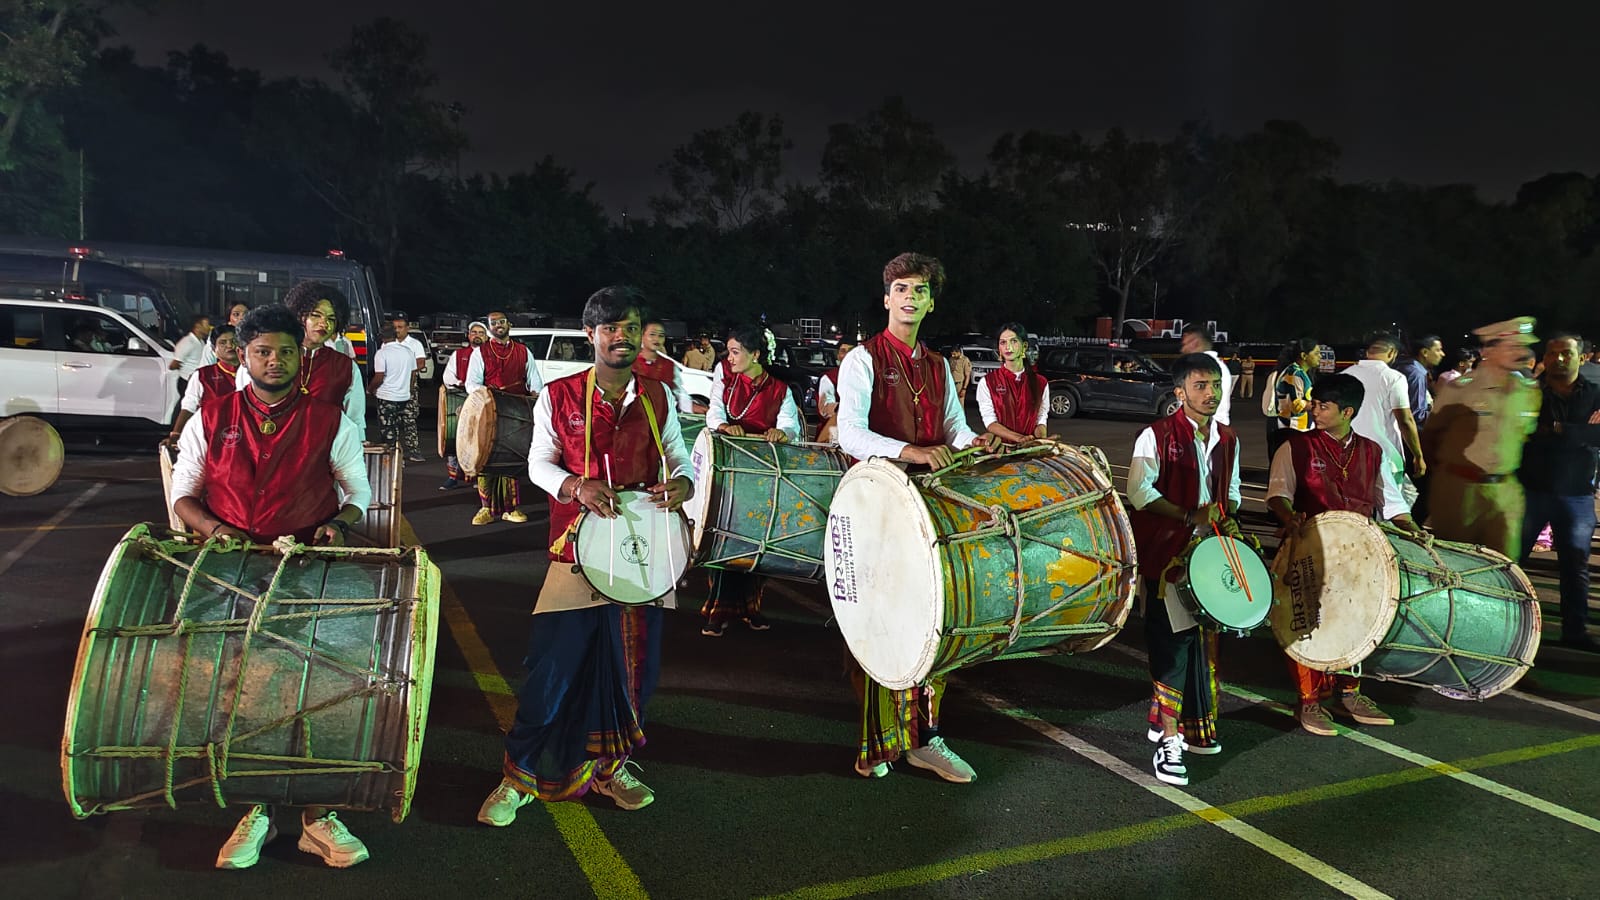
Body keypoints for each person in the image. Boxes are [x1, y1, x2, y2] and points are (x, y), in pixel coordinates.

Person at [476, 287, 692, 825]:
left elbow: (679, 455)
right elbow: (538, 464)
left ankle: (611, 768)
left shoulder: (657, 395)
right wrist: (575, 485)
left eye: (631, 326)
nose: (622, 337)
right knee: (555, 666)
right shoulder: (560, 394)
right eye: (611, 328)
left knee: (633, 671)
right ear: (591, 334)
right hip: (573, 548)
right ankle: (518, 776)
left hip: (642, 552)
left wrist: (685, 483)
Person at [169, 305, 373, 869]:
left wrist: (339, 524)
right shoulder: (210, 416)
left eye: (286, 350)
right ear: (240, 354)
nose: (275, 360)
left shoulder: (330, 419)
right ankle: (254, 810)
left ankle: (317, 816)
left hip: (308, 571)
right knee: (242, 688)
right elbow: (184, 494)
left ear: (300, 356)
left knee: (317, 689)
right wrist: (217, 530)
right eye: (262, 351)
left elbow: (356, 489)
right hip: (231, 572)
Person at [835, 251, 1002, 783]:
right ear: (887, 299)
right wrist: (911, 451)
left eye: (920, 290)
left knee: (935, 620)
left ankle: (925, 738)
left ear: (931, 301)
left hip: (932, 510)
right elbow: (849, 433)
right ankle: (878, 744)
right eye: (901, 289)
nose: (910, 297)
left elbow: (954, 427)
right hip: (878, 509)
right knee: (881, 625)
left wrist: (979, 443)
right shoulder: (861, 360)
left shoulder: (937, 366)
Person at [1266, 373, 1420, 734]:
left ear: (1347, 411)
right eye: (1314, 403)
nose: (1314, 411)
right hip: (1310, 551)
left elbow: (1392, 503)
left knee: (1358, 622)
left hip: (1360, 557)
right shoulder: (1296, 447)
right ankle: (1308, 701)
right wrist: (1289, 517)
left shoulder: (1373, 451)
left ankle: (1349, 692)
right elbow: (1277, 495)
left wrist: (1413, 530)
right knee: (1306, 624)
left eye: (1323, 406)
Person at [1126, 353, 1241, 786]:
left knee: (1201, 646)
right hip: (1168, 557)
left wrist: (1225, 519)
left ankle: (1180, 724)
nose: (1210, 393)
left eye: (1215, 385)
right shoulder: (1155, 436)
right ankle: (1168, 743)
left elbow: (1229, 494)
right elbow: (1139, 491)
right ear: (1180, 392)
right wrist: (1189, 515)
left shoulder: (1228, 439)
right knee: (1172, 647)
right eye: (1200, 386)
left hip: (1210, 556)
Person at [700, 323, 803, 636]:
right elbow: (713, 412)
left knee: (758, 542)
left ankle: (752, 608)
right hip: (729, 469)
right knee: (723, 540)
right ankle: (716, 611)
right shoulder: (725, 377)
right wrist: (723, 427)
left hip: (762, 475)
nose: (729, 358)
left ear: (755, 354)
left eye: (735, 352)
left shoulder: (779, 390)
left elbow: (790, 426)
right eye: (728, 352)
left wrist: (781, 432)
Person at [1422, 317, 1542, 558]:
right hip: (1460, 491)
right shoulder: (1459, 390)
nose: (1520, 352)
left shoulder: (1529, 392)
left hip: (1505, 492)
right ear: (1488, 350)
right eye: (1513, 346)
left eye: (1522, 346)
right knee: (1456, 565)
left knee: (1505, 569)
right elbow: (1431, 437)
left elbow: (1525, 438)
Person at [1518, 332, 1600, 653]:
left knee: (1575, 565)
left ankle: (1575, 631)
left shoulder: (1595, 393)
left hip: (1576, 494)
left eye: (1566, 353)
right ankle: (1508, 626)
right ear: (1545, 358)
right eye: (1552, 353)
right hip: (1531, 491)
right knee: (1514, 562)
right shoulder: (1528, 394)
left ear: (1581, 357)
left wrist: (1556, 429)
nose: (1558, 359)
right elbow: (1521, 433)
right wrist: (1580, 432)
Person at [233, 282, 366, 427]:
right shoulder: (265, 361)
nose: (324, 324)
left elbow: (355, 420)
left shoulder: (346, 367)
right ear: (298, 315)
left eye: (331, 319)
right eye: (316, 315)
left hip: (326, 445)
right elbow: (245, 410)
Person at [465, 311, 545, 525]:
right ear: (489, 326)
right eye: (494, 323)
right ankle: (486, 509)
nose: (498, 326)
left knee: (513, 460)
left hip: (517, 412)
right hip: (489, 412)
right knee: (485, 460)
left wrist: (536, 397)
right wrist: (490, 395)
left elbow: (535, 382)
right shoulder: (480, 352)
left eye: (502, 322)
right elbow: (471, 384)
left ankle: (511, 508)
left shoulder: (522, 351)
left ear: (508, 324)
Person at [1344, 333, 1426, 511]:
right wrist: (1418, 456)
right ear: (1392, 353)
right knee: (1387, 512)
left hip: (1348, 455)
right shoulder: (1393, 378)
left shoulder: (1345, 375)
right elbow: (1405, 420)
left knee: (1353, 510)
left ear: (1367, 353)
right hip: (1385, 458)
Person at [165, 325, 241, 446]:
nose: (229, 346)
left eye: (234, 341)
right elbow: (189, 406)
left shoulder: (253, 373)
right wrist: (176, 435)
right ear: (213, 349)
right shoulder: (203, 376)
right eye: (222, 343)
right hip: (211, 438)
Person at [978, 322, 1050, 444]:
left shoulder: (1040, 383)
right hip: (1000, 452)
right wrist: (1018, 438)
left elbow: (1041, 418)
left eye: (1014, 341)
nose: (1008, 347)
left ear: (1024, 346)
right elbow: (990, 422)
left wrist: (1041, 439)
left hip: (1030, 451)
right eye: (1003, 342)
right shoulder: (988, 382)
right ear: (999, 348)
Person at [440, 321, 488, 490]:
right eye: (473, 332)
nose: (477, 335)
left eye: (481, 332)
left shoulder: (490, 355)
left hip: (483, 404)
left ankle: (479, 476)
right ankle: (453, 477)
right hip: (461, 399)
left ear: (486, 336)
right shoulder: (459, 354)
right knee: (455, 436)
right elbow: (448, 377)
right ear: (468, 335)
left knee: (481, 440)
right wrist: (462, 383)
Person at [369, 324, 420, 461]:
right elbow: (413, 373)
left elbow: (379, 377)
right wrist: (408, 389)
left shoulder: (382, 353)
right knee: (401, 426)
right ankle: (406, 453)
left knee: (388, 430)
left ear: (382, 338)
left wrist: (369, 389)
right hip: (403, 396)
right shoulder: (408, 351)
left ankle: (395, 459)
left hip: (386, 396)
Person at [1268, 338, 1319, 463]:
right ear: (1304, 355)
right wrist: (1318, 404)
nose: (1320, 356)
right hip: (1295, 428)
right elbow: (1297, 406)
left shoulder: (1299, 372)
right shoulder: (1295, 374)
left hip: (1297, 428)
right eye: (1316, 353)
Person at [633, 318, 701, 413]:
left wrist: (693, 407)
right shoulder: (629, 363)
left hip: (662, 418)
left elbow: (680, 394)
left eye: (661, 335)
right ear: (641, 336)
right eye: (652, 334)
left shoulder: (669, 365)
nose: (657, 339)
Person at [1180, 325, 1233, 425]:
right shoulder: (1217, 366)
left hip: (1203, 433)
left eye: (1185, 344)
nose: (1183, 349)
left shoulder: (1203, 369)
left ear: (1194, 343)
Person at [814, 340, 855, 444]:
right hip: (833, 430)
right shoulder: (829, 378)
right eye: (842, 351)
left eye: (850, 351)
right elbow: (825, 409)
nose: (846, 354)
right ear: (838, 355)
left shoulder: (864, 376)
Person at [169, 314, 213, 393]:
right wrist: (187, 372)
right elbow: (174, 364)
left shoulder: (201, 341)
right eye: (207, 325)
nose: (209, 327)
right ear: (198, 326)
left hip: (196, 380)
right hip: (187, 381)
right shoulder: (187, 342)